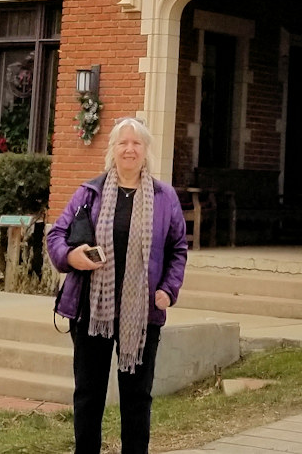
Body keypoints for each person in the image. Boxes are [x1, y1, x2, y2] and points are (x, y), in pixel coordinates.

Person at [47, 116, 188, 454]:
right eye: (123, 143)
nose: (129, 149)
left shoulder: (164, 197)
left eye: (136, 143)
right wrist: (71, 256)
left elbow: (178, 248)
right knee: (88, 395)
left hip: (142, 315)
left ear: (146, 151)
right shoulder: (90, 193)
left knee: (137, 397)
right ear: (112, 150)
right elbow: (55, 236)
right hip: (91, 311)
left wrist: (168, 290)